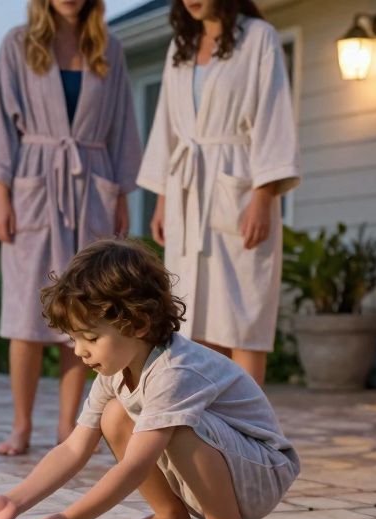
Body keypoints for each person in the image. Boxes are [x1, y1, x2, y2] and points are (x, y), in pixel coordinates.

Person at [0, 240, 299, 519]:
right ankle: (171, 517)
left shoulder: (175, 371)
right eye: (73, 337)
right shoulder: (115, 371)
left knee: (175, 425)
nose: (79, 350)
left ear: (138, 323)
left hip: (260, 474)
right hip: (230, 467)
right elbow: (73, 449)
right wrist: (15, 500)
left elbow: (133, 467)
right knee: (115, 415)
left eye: (90, 337)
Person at [0, 0, 143, 456]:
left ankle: (68, 428)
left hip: (92, 184)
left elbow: (123, 126)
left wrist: (120, 194)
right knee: (25, 315)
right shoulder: (20, 44)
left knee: (83, 313)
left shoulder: (109, 48)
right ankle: (21, 426)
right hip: (34, 184)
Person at [138, 0, 300, 385]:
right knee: (193, 315)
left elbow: (272, 116)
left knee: (244, 315)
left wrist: (264, 196)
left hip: (239, 187)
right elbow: (167, 127)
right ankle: (209, 432)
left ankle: (250, 436)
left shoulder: (259, 38)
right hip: (186, 191)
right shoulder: (181, 45)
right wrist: (162, 199)